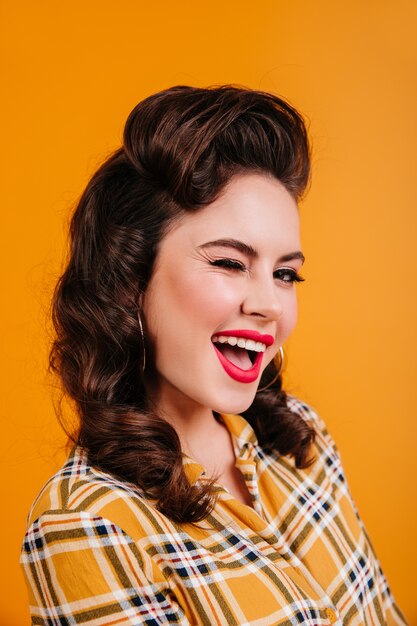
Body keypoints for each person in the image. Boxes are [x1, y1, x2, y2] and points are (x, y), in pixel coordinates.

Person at [20, 85, 407, 625]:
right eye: (229, 263)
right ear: (129, 282)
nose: (269, 304)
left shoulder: (300, 442)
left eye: (285, 274)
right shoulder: (87, 524)